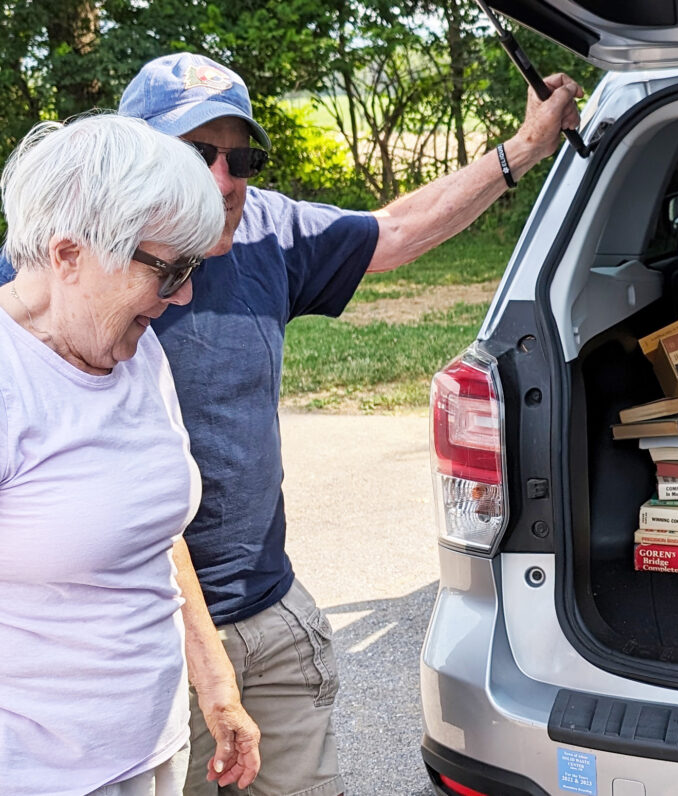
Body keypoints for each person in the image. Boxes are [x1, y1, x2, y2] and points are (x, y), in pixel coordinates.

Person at [109, 52, 579, 796]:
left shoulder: (267, 232)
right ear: (130, 162)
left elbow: (392, 231)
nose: (224, 181)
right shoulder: (64, 275)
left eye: (240, 158)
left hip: (269, 612)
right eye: (195, 155)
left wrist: (523, 149)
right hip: (145, 639)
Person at [0, 114, 261, 795]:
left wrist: (216, 682)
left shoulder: (135, 351)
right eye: (169, 269)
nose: (184, 294)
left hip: (150, 756)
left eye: (192, 266)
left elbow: (154, 530)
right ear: (68, 255)